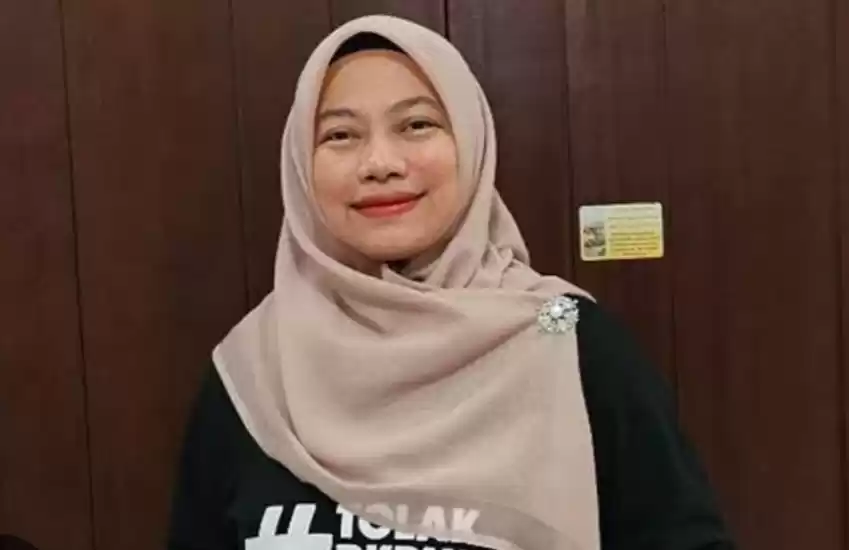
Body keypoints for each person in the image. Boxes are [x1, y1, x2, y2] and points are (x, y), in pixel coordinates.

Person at [167, 15, 736, 550]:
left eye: (417, 125)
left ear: (470, 141)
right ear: (300, 164)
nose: (380, 162)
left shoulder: (564, 339)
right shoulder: (254, 368)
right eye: (340, 135)